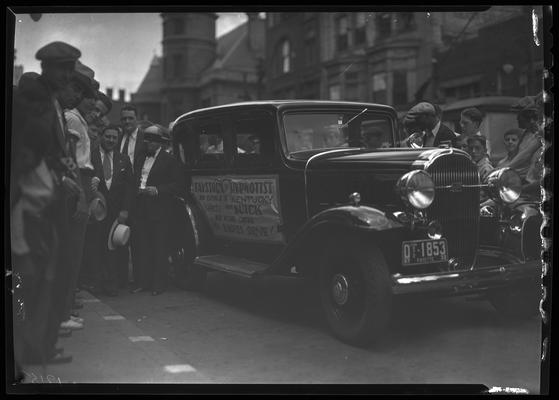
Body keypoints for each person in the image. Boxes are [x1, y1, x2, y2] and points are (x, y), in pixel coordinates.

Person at [11, 41, 85, 366]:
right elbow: (28, 152)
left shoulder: (51, 100)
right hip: (30, 206)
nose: (67, 75)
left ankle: (38, 344)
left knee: (47, 277)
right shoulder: (34, 100)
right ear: (45, 68)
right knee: (32, 279)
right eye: (62, 68)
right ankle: (29, 346)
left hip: (45, 203)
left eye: (70, 68)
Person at [60, 61, 99, 332]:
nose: (87, 101)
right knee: (71, 248)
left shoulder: (78, 118)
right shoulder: (72, 118)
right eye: (86, 96)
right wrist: (80, 188)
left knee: (75, 248)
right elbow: (71, 157)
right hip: (76, 178)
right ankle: (62, 308)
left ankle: (65, 304)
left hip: (82, 178)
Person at [131, 125, 182, 296]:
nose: (149, 143)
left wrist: (158, 190)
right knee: (142, 246)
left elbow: (178, 185)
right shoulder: (139, 158)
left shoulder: (169, 160)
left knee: (159, 247)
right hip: (141, 207)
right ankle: (144, 282)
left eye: (153, 140)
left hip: (159, 209)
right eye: (147, 139)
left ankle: (159, 284)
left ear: (160, 142)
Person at [90, 125, 134, 296]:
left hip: (116, 213)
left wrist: (125, 210)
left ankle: (112, 284)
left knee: (113, 248)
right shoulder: (91, 157)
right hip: (97, 211)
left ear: (118, 139)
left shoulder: (123, 159)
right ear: (102, 136)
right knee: (95, 246)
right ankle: (96, 284)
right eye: (107, 136)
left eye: (114, 138)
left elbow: (129, 188)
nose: (110, 140)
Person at [119, 105, 145, 290]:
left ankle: (139, 280)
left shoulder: (144, 139)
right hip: (119, 196)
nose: (127, 122)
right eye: (124, 119)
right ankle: (121, 279)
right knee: (119, 238)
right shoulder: (118, 137)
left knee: (138, 240)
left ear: (137, 119)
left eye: (130, 118)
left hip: (139, 197)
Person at [505, 96, 543, 181]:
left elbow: (526, 155)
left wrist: (505, 169)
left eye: (519, 115)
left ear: (530, 117)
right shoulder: (524, 135)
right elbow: (518, 157)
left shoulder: (539, 135)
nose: (517, 118)